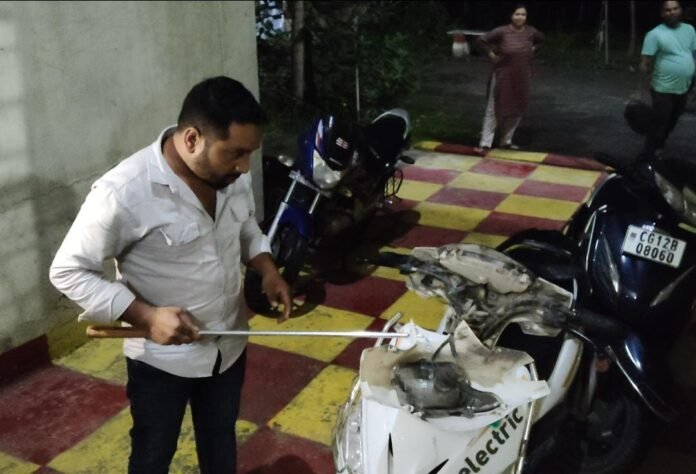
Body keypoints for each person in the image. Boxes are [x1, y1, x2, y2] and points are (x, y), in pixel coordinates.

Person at [49, 76, 292, 474]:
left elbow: (246, 226)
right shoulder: (124, 192)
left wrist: (266, 267)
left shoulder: (231, 176)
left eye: (249, 153)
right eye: (235, 153)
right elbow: (68, 271)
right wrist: (146, 317)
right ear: (192, 139)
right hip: (162, 363)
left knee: (220, 443)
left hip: (228, 345)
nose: (244, 166)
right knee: (152, 455)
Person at [473, 4, 544, 155]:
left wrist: (533, 49)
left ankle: (506, 141)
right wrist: (492, 55)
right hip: (503, 75)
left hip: (522, 76)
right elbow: (481, 41)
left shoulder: (531, 32)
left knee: (517, 109)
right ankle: (485, 143)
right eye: (517, 14)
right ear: (511, 16)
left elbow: (541, 40)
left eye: (523, 14)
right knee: (494, 108)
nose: (520, 17)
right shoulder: (502, 31)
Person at [640, 0, 696, 156]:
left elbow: (693, 54)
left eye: (675, 8)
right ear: (662, 14)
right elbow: (645, 63)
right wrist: (645, 87)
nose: (672, 12)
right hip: (662, 88)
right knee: (659, 123)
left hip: (683, 87)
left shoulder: (690, 30)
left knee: (672, 121)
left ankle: (659, 147)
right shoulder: (654, 34)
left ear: (681, 10)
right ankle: (646, 156)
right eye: (668, 10)